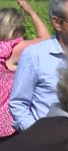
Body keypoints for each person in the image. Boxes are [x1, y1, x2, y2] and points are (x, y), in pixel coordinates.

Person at [9, 0, 68, 132]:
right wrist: (38, 134)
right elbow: (18, 104)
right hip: (46, 143)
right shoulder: (35, 55)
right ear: (57, 23)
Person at [0, 0, 50, 138]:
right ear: (16, 28)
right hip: (6, 122)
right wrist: (31, 12)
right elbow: (45, 39)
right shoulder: (13, 49)